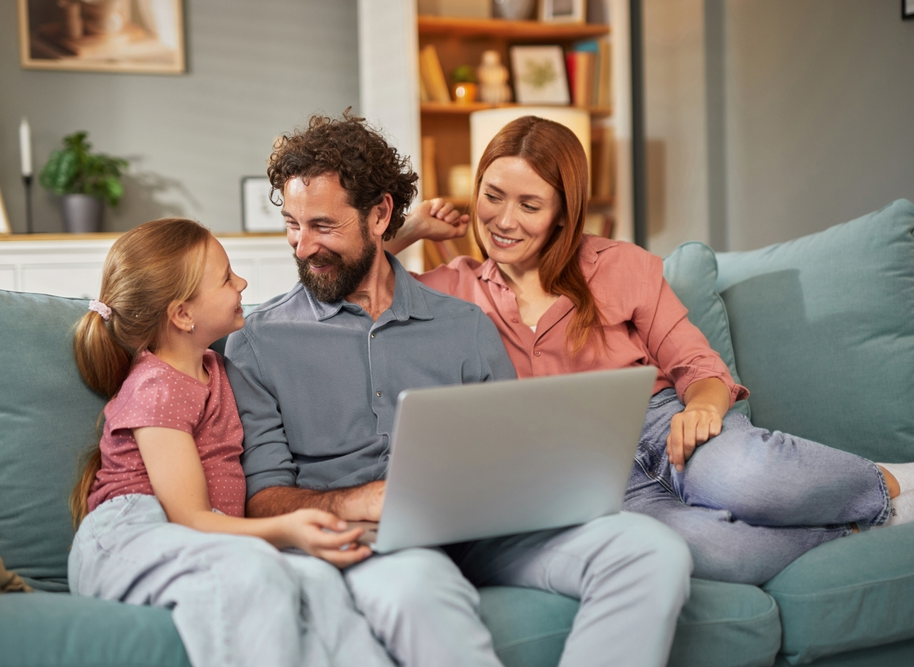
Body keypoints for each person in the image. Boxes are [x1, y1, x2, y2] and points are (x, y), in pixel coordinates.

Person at [224, 113, 692, 667]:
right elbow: (263, 497)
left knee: (650, 550)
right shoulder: (256, 344)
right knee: (418, 591)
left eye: (323, 226)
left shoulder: (464, 324)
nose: (303, 248)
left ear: (380, 215)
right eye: (292, 226)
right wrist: (355, 501)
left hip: (487, 530)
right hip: (372, 542)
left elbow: (517, 448)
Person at [391, 115, 914, 586]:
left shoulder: (620, 264)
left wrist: (705, 407)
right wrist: (409, 230)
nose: (503, 221)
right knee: (721, 554)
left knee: (750, 479)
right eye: (492, 194)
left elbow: (697, 365)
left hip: (665, 428)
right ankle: (862, 521)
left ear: (562, 213)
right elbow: (340, 290)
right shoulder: (451, 287)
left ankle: (892, 480)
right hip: (588, 474)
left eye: (529, 205)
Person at [67, 218, 394, 667]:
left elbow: (321, 293)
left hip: (205, 534)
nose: (242, 282)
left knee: (319, 583)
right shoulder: (156, 388)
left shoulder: (216, 367)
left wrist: (397, 235)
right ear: (182, 314)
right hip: (133, 535)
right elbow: (190, 518)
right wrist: (286, 528)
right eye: (226, 278)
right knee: (253, 574)